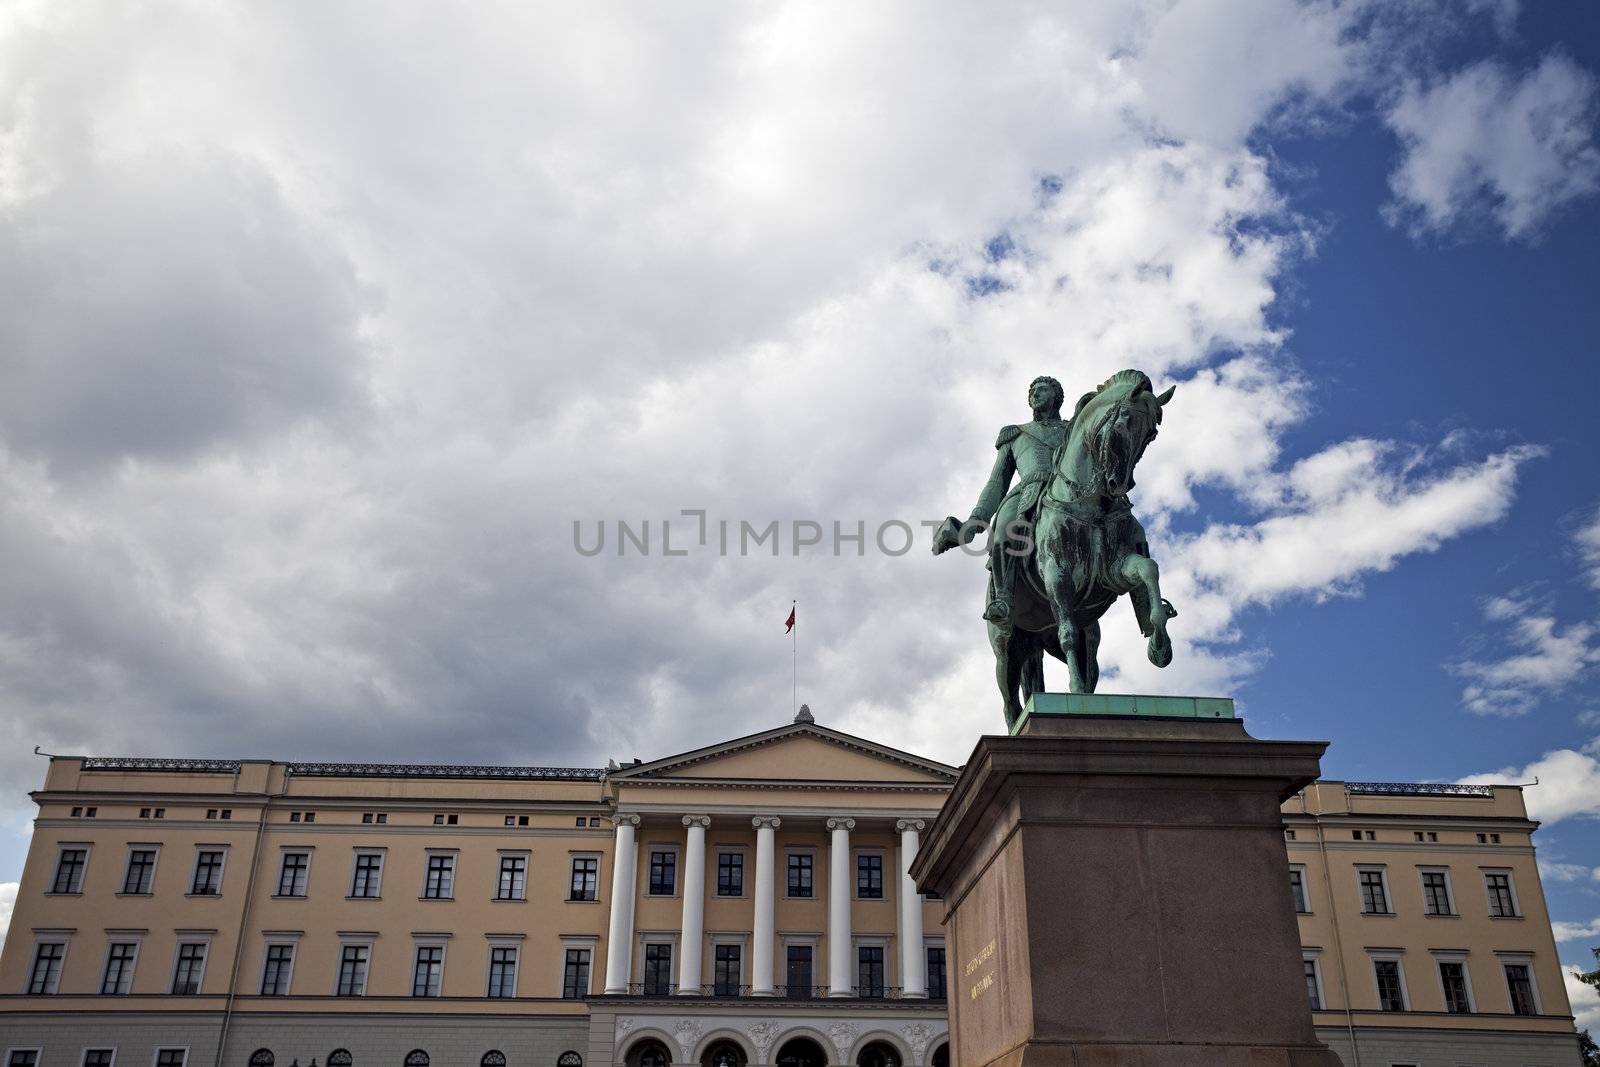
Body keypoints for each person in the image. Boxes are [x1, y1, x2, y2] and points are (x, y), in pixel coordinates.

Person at [933, 375, 1068, 625]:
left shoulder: (1073, 429)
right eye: (1032, 392)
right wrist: (975, 522)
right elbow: (996, 483)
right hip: (1028, 491)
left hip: (1072, 490)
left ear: (1057, 396)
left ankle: (1145, 604)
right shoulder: (1016, 435)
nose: (1035, 395)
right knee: (1006, 530)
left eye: (1042, 390)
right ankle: (1003, 598)